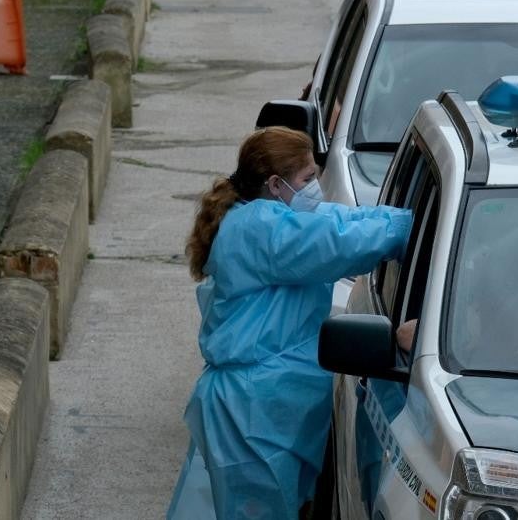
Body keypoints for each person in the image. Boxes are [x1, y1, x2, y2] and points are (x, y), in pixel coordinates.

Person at [167, 126, 412, 520]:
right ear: (276, 184)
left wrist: (395, 218)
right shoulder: (263, 227)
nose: (316, 188)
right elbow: (337, 241)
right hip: (252, 413)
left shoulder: (262, 216)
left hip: (258, 404)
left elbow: (338, 221)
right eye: (308, 179)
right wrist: (403, 229)